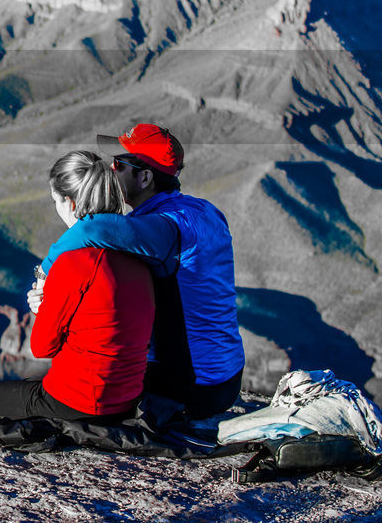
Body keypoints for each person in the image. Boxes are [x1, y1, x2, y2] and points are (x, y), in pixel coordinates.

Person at [38, 123, 245, 418]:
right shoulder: (205, 210)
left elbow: (95, 228)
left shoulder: (165, 228)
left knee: (75, 395)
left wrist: (44, 276)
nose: (110, 168)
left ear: (145, 177)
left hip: (191, 388)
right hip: (226, 377)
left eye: (119, 164)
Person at [0, 151, 154, 423]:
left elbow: (42, 347)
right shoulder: (140, 259)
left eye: (55, 200)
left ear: (70, 203)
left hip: (76, 402)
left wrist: (43, 308)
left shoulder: (73, 264)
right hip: (125, 402)